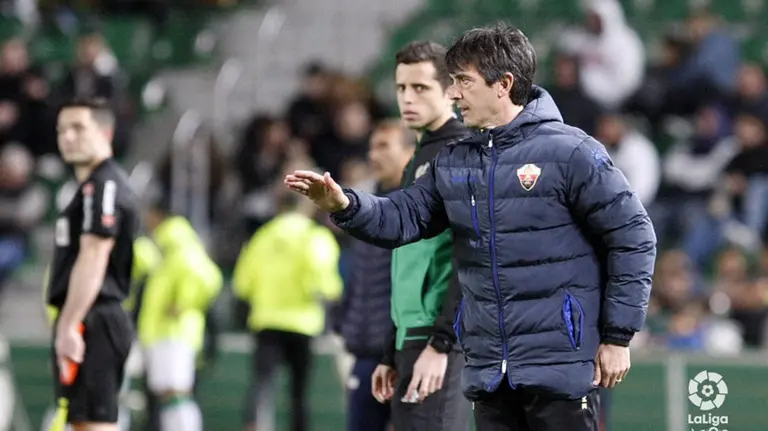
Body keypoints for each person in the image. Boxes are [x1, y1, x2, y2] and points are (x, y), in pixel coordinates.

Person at [285, 24, 657, 431]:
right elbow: (402, 218)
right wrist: (345, 204)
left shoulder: (572, 152)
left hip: (562, 371)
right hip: (489, 377)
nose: (454, 92)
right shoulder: (456, 160)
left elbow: (635, 238)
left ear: (504, 84)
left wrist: (618, 337)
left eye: (463, 80)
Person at [369, 41, 473, 431]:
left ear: (448, 90)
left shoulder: (460, 153)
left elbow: (470, 256)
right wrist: (390, 349)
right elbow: (408, 261)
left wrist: (442, 344)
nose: (407, 99)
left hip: (439, 340)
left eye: (420, 88)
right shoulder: (418, 157)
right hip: (411, 337)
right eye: (401, 88)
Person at [47, 97, 139, 431]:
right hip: (89, 317)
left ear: (105, 132)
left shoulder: (105, 186)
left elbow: (95, 253)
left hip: (96, 318)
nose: (67, 137)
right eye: (61, 130)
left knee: (95, 425)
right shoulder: (89, 188)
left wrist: (69, 324)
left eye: (77, 128)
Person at [233, 190, 343, 431]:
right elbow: (325, 282)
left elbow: (242, 283)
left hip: (266, 320)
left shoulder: (262, 236)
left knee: (262, 385)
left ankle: (254, 426)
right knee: (299, 392)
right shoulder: (314, 237)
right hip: (303, 322)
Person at [335, 119, 414, 431]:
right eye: (371, 147)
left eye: (384, 146)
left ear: (409, 152)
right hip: (365, 351)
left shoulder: (418, 209)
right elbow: (361, 276)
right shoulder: (365, 205)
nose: (374, 155)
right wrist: (344, 322)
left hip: (405, 355)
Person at [138, 206, 223, 431]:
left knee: (177, 391)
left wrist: (183, 302)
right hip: (163, 333)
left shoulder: (179, 244)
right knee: (167, 394)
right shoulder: (166, 247)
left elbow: (207, 277)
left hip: (175, 332)